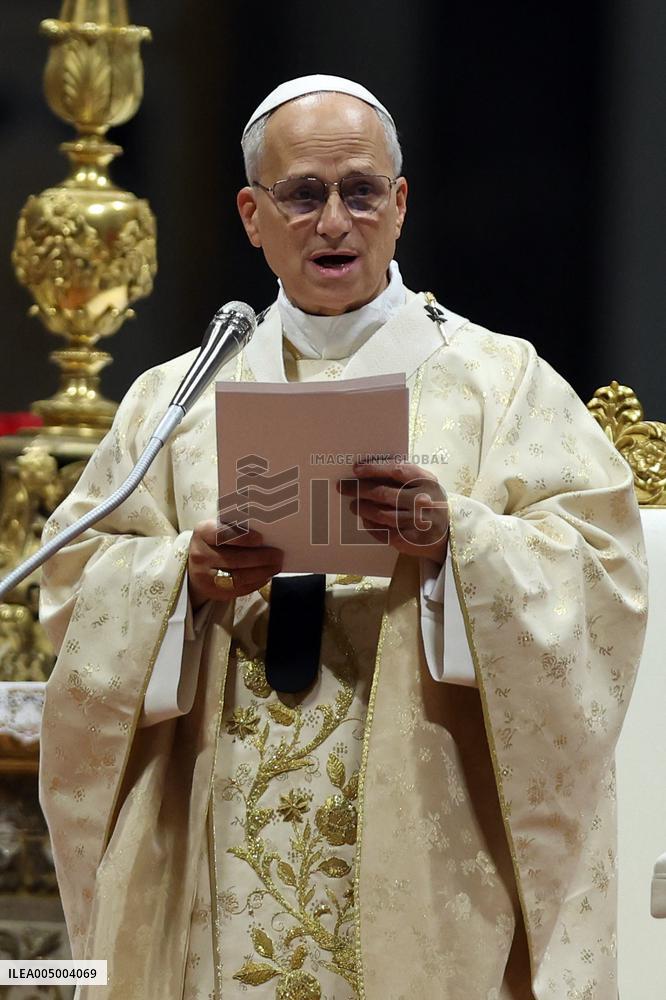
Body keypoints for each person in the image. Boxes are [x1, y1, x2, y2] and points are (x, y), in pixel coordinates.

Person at [38, 75, 648, 1000]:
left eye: (361, 192)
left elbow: (603, 582)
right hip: (216, 844)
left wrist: (456, 542)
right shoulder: (176, 400)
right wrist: (180, 576)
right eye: (302, 194)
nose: (334, 222)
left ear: (399, 205)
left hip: (427, 848)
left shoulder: (501, 384)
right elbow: (75, 582)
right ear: (252, 215)